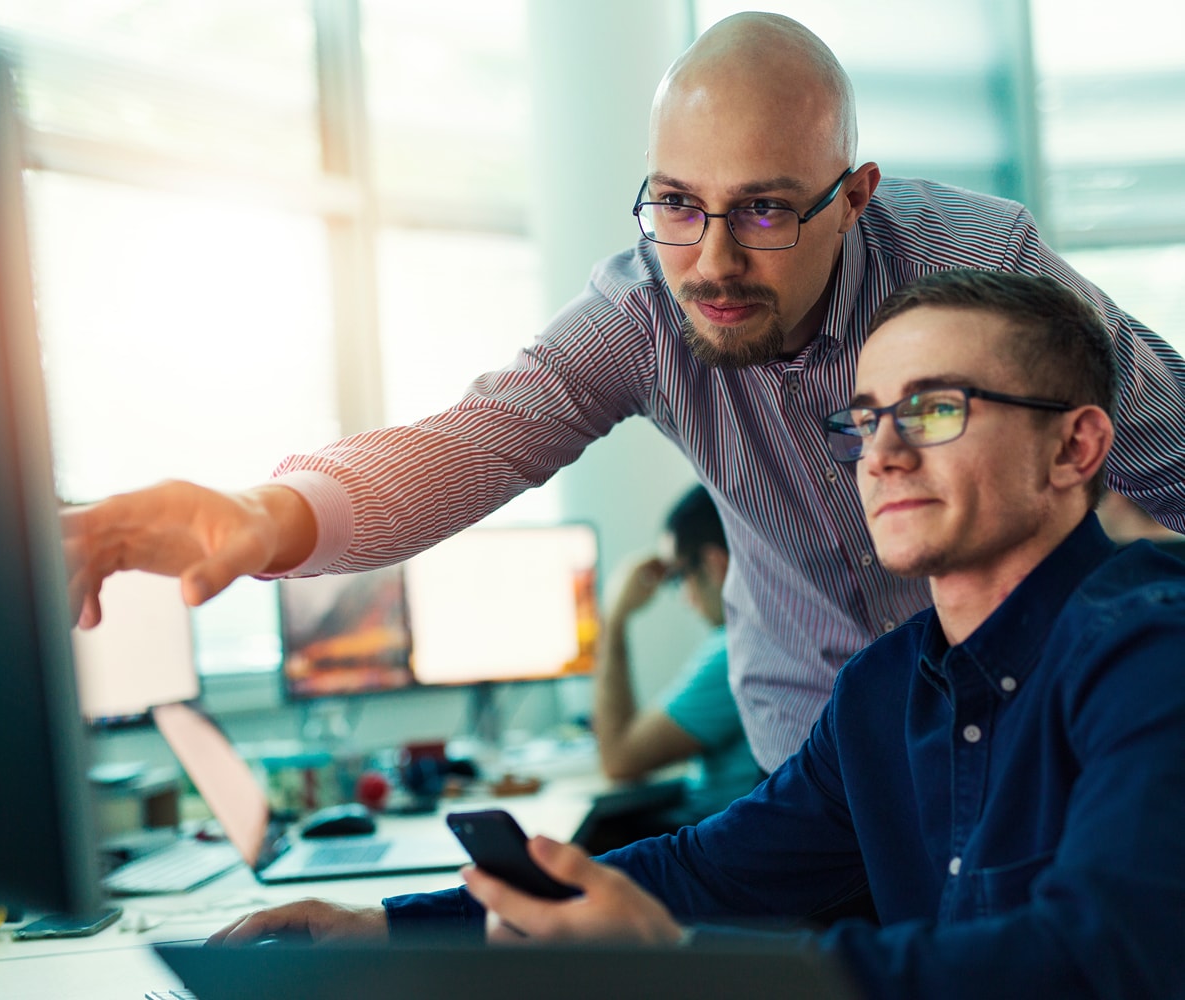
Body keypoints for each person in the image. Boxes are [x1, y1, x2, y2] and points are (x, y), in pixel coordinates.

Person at [63, 12, 1185, 777]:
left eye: (763, 210)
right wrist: (266, 515)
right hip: (817, 730)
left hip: (1031, 707)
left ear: (855, 197)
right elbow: (477, 440)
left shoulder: (984, 266)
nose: (710, 261)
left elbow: (1171, 454)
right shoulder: (646, 309)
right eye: (677, 203)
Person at [208, 269, 1185, 999]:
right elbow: (708, 868)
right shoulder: (884, 690)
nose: (881, 453)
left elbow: (1099, 957)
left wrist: (676, 966)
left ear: (1075, 445)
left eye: (933, 409)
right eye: (864, 416)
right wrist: (387, 927)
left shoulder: (1148, 649)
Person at [594, 483, 761, 792]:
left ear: (714, 564)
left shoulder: (735, 649)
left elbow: (618, 761)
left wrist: (613, 618)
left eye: (678, 576)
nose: (685, 598)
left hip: (710, 833)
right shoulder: (773, 632)